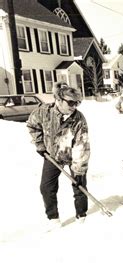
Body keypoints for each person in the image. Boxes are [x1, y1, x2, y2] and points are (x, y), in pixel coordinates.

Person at [26, 82, 90, 228]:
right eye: (71, 102)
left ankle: (82, 216)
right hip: (53, 155)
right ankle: (53, 218)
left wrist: (79, 169)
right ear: (59, 100)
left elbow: (82, 144)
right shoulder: (44, 112)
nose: (74, 106)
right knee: (46, 187)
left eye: (77, 103)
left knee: (79, 186)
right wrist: (40, 144)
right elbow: (32, 125)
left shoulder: (79, 119)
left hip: (75, 155)